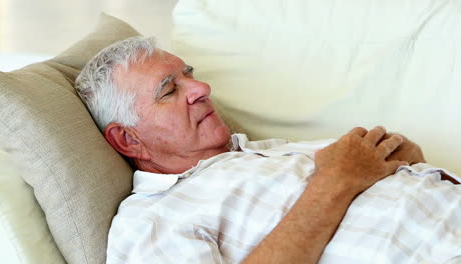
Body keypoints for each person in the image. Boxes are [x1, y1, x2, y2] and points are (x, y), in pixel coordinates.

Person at [75, 36, 461, 264]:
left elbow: (389, 161)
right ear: (128, 139)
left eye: (188, 74)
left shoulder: (261, 153)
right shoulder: (151, 219)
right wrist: (337, 179)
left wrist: (402, 157)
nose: (201, 89)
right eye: (170, 91)